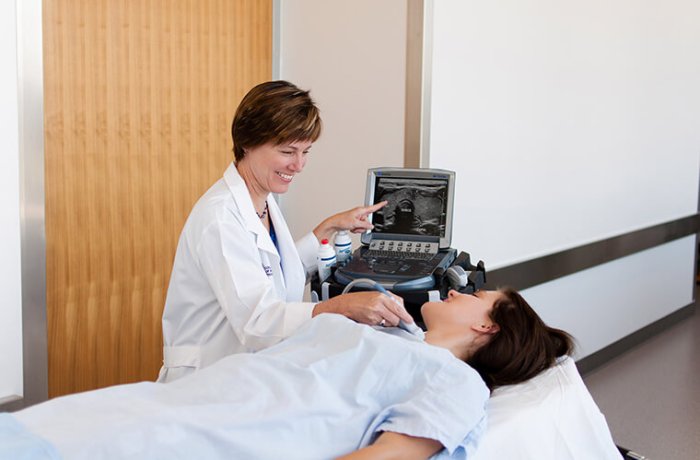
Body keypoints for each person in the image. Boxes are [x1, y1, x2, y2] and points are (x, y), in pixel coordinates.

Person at [3, 288, 573, 460]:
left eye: (474, 295)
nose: (455, 289)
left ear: (490, 330)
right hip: (193, 399)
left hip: (230, 433)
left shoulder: (456, 383)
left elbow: (385, 459)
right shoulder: (383, 332)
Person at [158, 80, 413, 383]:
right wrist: (340, 307)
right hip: (205, 378)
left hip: (246, 373)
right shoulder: (221, 219)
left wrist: (330, 227)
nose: (298, 165)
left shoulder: (262, 199)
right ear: (247, 143)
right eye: (287, 151)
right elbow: (258, 321)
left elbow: (274, 272)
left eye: (306, 151)